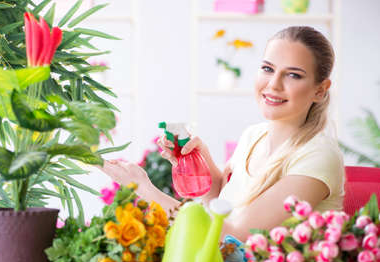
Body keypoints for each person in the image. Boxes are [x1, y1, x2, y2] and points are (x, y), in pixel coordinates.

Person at [100, 26, 345, 242]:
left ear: (320, 90)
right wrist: (200, 159)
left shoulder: (318, 155)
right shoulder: (254, 135)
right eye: (267, 69)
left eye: (293, 75)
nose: (273, 84)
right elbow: (222, 206)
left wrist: (143, 188)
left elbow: (235, 239)